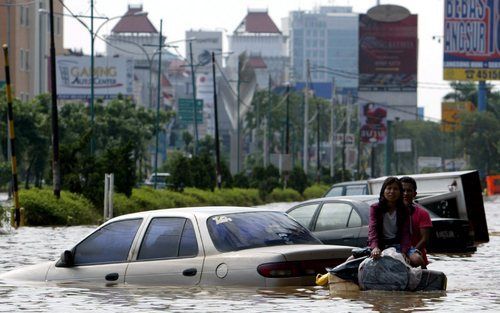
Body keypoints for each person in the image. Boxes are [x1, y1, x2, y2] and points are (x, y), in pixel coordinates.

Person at [368, 176, 411, 260]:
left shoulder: (404, 209)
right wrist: (375, 247)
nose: (392, 191)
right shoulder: (375, 208)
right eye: (389, 188)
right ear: (383, 191)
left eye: (395, 189)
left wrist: (404, 251)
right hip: (380, 245)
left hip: (398, 245)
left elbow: (406, 233)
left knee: (417, 259)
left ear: (400, 192)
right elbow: (373, 229)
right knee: (351, 260)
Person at [400, 176, 433, 269]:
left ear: (414, 194)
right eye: (403, 190)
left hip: (417, 258)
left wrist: (412, 252)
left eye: (409, 191)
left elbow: (425, 239)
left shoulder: (423, 214)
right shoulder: (391, 213)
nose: (405, 193)